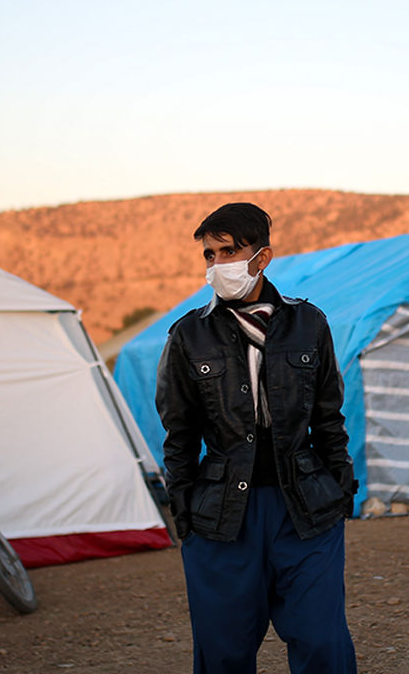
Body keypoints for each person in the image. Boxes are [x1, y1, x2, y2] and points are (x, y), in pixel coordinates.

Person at [155, 202, 357, 673]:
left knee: (321, 643)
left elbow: (329, 416)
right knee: (223, 651)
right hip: (222, 516)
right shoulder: (189, 336)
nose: (217, 265)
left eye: (228, 251)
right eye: (209, 255)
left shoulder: (310, 324)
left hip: (304, 509)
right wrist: (182, 508)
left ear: (261, 257)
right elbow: (178, 431)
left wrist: (340, 484)